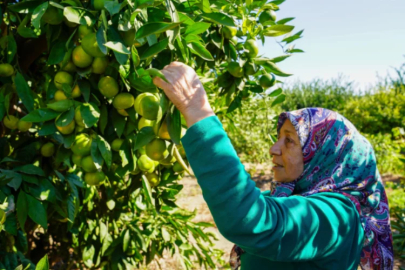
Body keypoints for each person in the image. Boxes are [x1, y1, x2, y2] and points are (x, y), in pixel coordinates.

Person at [153, 62, 394, 270]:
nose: (274, 149)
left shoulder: (335, 216)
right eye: (278, 138)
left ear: (326, 154)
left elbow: (251, 219)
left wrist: (195, 108)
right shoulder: (288, 197)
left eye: (289, 140)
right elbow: (245, 206)